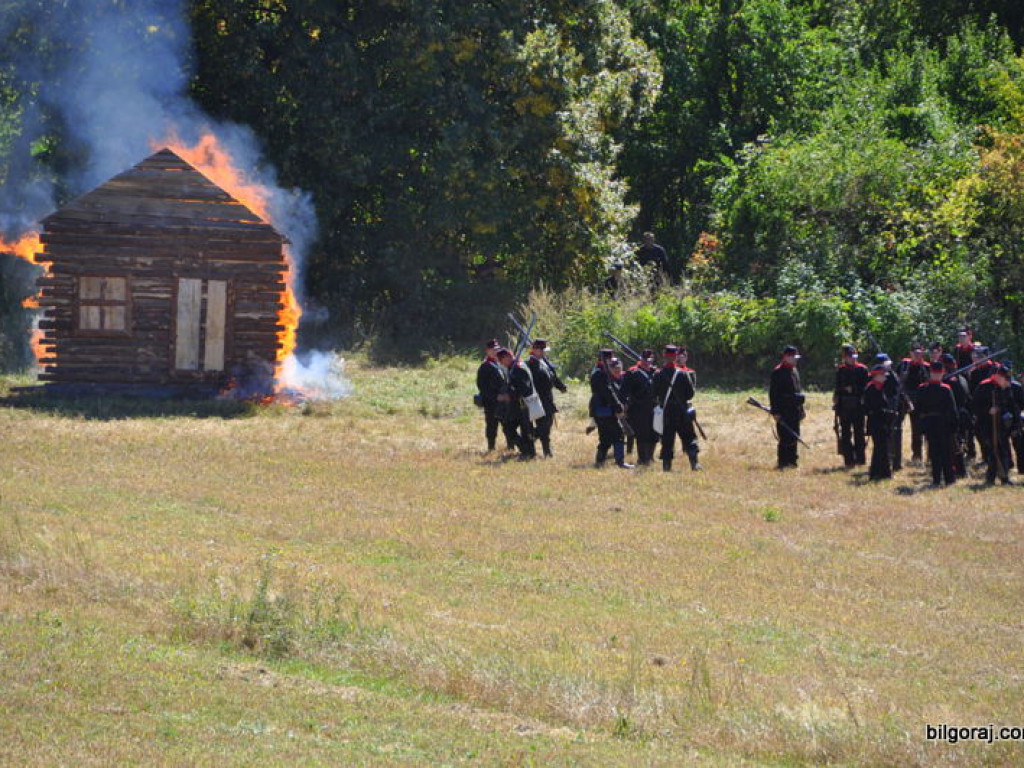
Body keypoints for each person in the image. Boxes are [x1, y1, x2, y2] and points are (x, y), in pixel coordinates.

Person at [916, 360, 959, 486]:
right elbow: (952, 410)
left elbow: (918, 409)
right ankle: (949, 478)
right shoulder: (946, 389)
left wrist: (922, 425)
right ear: (942, 373)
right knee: (946, 452)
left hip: (930, 423)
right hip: (944, 423)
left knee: (934, 452)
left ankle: (936, 479)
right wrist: (954, 426)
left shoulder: (922, 389)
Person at [973, 364, 1016, 484]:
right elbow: (975, 406)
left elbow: (1009, 404)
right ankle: (996, 478)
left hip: (1001, 425)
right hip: (987, 425)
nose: (1006, 381)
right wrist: (988, 410)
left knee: (1003, 451)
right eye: (1004, 378)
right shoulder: (984, 386)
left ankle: (1000, 476)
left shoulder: (1006, 387)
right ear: (997, 376)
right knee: (993, 451)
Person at [590, 351, 632, 468]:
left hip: (603, 409)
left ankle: (600, 462)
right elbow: (607, 392)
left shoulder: (601, 372)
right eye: (610, 359)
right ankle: (620, 462)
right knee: (618, 434)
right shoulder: (600, 374)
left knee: (605, 438)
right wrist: (617, 405)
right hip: (604, 409)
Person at [526, 338, 567, 458]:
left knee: (546, 425)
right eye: (543, 350)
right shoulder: (531, 364)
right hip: (538, 399)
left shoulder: (543, 361)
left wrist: (560, 386)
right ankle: (530, 439)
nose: (545, 352)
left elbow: (552, 376)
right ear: (535, 350)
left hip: (547, 399)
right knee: (544, 425)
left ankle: (546, 450)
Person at [496, 348, 537, 459]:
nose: (501, 363)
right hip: (518, 405)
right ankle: (526, 451)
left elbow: (524, 388)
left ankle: (528, 452)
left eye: (501, 360)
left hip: (523, 405)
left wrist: (508, 396)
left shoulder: (518, 368)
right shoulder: (514, 368)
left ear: (507, 357)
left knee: (524, 430)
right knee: (513, 428)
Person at [769, 345, 805, 469]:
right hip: (783, 410)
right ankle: (783, 462)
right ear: (786, 357)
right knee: (785, 436)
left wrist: (801, 409)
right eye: (793, 357)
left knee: (795, 435)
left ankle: (792, 461)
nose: (796, 360)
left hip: (794, 409)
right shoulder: (778, 372)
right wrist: (776, 412)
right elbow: (773, 394)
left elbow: (798, 390)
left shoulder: (794, 371)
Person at [833, 344, 868, 467]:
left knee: (859, 433)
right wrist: (837, 396)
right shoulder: (841, 370)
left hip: (858, 405)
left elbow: (866, 388)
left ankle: (860, 459)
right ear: (845, 357)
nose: (853, 359)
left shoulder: (862, 369)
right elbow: (837, 387)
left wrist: (853, 389)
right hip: (844, 406)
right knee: (846, 433)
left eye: (854, 356)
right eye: (850, 356)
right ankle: (848, 459)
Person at [621, 349, 657, 466]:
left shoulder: (655, 372)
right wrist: (624, 406)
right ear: (640, 359)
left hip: (653, 407)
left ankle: (650, 456)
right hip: (638, 408)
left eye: (649, 360)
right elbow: (623, 392)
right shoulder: (633, 373)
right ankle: (642, 458)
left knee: (654, 433)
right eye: (645, 360)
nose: (647, 362)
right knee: (642, 434)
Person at [476, 339, 512, 452]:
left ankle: (511, 446)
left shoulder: (499, 363)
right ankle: (491, 447)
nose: (496, 351)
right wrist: (495, 396)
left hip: (503, 400)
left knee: (507, 424)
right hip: (491, 402)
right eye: (493, 349)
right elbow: (482, 386)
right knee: (492, 425)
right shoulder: (485, 366)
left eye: (497, 349)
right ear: (487, 351)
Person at [898, 344, 929, 464]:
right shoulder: (904, 365)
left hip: (919, 401)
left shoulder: (926, 367)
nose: (917, 355)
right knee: (896, 427)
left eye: (919, 353)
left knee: (917, 429)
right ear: (910, 353)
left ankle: (917, 455)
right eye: (915, 353)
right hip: (904, 398)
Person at [941, 353, 971, 478]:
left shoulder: (950, 381)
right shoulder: (960, 378)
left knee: (955, 444)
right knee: (958, 442)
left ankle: (959, 470)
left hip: (953, 415)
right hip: (961, 414)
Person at [862, 363, 894, 480]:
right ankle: (880, 472)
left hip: (881, 421)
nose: (885, 377)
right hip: (877, 422)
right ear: (877, 376)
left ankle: (880, 472)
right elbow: (874, 407)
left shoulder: (879, 387)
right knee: (880, 447)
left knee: (882, 447)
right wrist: (886, 412)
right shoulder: (872, 388)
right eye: (883, 375)